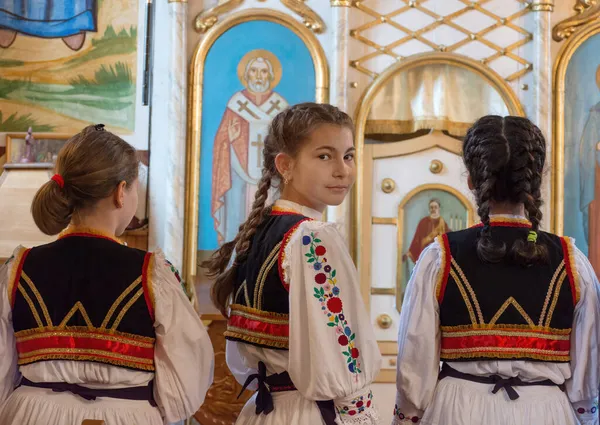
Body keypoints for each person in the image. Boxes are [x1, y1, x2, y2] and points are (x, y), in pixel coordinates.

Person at [392, 115, 600, 425]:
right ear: (536, 179)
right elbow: (587, 374)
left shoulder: (440, 256)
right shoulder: (572, 261)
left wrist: (406, 418)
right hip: (545, 411)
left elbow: (415, 361)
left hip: (458, 409)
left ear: (472, 182)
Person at [0, 124, 214, 425]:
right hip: (124, 414)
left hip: (32, 414)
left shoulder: (18, 268)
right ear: (120, 193)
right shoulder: (151, 274)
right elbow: (187, 377)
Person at [203, 103, 381, 425]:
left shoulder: (254, 233)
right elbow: (344, 349)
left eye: (349, 155)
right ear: (285, 165)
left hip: (265, 411)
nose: (342, 170)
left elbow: (242, 362)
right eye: (324, 156)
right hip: (309, 412)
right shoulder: (311, 237)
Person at [211, 51, 289, 245]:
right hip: (238, 176)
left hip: (271, 179)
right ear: (246, 75)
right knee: (237, 215)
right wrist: (228, 140)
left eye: (263, 72)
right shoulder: (236, 105)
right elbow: (221, 141)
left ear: (270, 76)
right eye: (254, 71)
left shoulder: (280, 106)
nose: (258, 76)